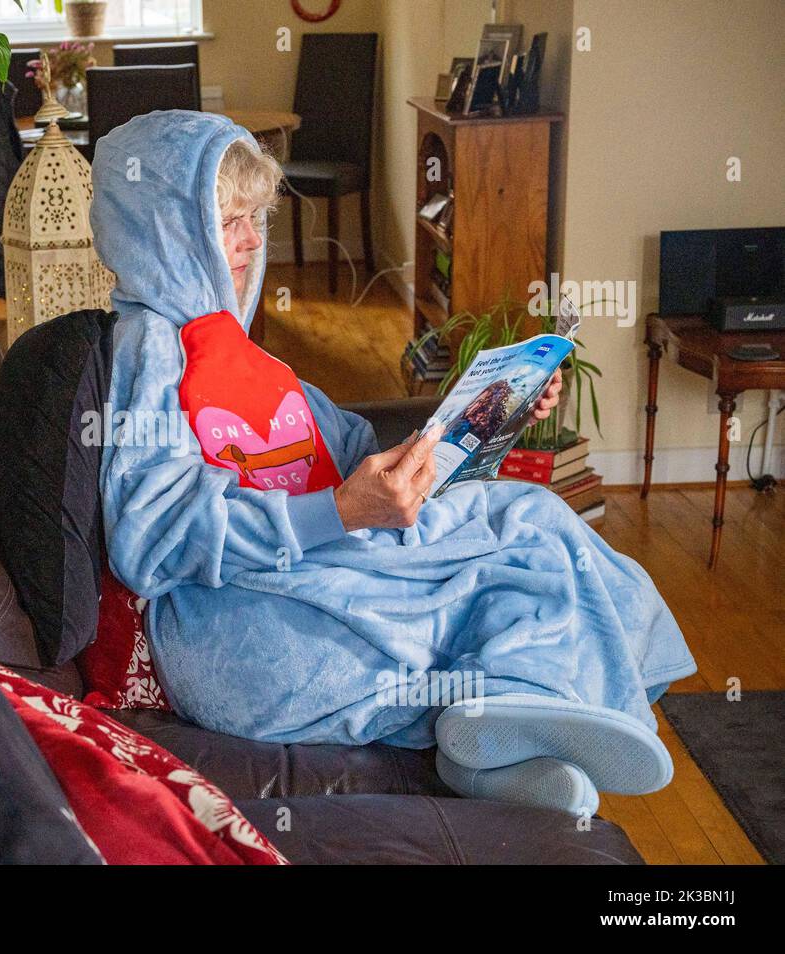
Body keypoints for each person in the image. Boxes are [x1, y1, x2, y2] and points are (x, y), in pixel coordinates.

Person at [88, 110, 696, 817]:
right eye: (228, 223)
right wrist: (340, 512)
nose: (253, 242)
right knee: (495, 573)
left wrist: (484, 419)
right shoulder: (149, 350)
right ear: (166, 231)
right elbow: (152, 538)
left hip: (319, 566)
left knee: (531, 518)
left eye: (256, 217)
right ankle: (513, 716)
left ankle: (492, 745)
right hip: (236, 618)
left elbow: (348, 447)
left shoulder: (235, 347)